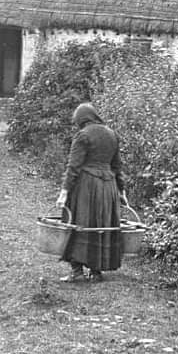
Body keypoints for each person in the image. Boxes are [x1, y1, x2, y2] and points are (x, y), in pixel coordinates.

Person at [55, 103, 128, 282]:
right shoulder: (112, 134)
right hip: (108, 187)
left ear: (81, 119)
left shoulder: (83, 136)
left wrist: (64, 192)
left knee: (79, 222)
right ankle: (96, 272)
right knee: (101, 224)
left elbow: (73, 166)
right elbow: (117, 166)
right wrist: (122, 190)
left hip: (87, 186)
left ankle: (76, 270)